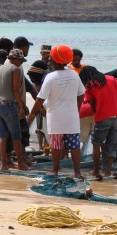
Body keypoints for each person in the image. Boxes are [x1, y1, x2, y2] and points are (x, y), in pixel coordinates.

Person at [28, 45, 85, 177]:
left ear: (55, 61)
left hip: (56, 117)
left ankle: (55, 170)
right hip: (72, 117)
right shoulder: (74, 75)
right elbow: (81, 94)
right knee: (74, 145)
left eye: (51, 58)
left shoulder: (51, 77)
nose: (49, 60)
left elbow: (40, 98)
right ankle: (77, 172)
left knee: (56, 145)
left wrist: (32, 113)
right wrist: (77, 108)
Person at [79, 65, 117, 178]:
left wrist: (98, 111)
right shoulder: (111, 79)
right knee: (112, 145)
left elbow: (92, 106)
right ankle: (107, 172)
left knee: (96, 144)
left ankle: (96, 171)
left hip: (101, 117)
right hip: (116, 117)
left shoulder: (89, 85)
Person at [0, 48, 30, 170]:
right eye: (21, 61)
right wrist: (21, 106)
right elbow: (15, 90)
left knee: (3, 136)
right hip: (8, 105)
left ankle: (3, 164)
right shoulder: (15, 69)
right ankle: (20, 164)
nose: (21, 63)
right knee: (16, 137)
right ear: (16, 59)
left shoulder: (0, 67)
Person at [27, 44, 52, 150]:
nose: (46, 55)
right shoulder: (37, 64)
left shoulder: (52, 66)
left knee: (48, 124)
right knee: (39, 124)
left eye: (48, 53)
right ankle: (41, 146)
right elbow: (35, 82)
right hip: (38, 96)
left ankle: (48, 146)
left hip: (48, 98)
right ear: (41, 53)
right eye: (44, 53)